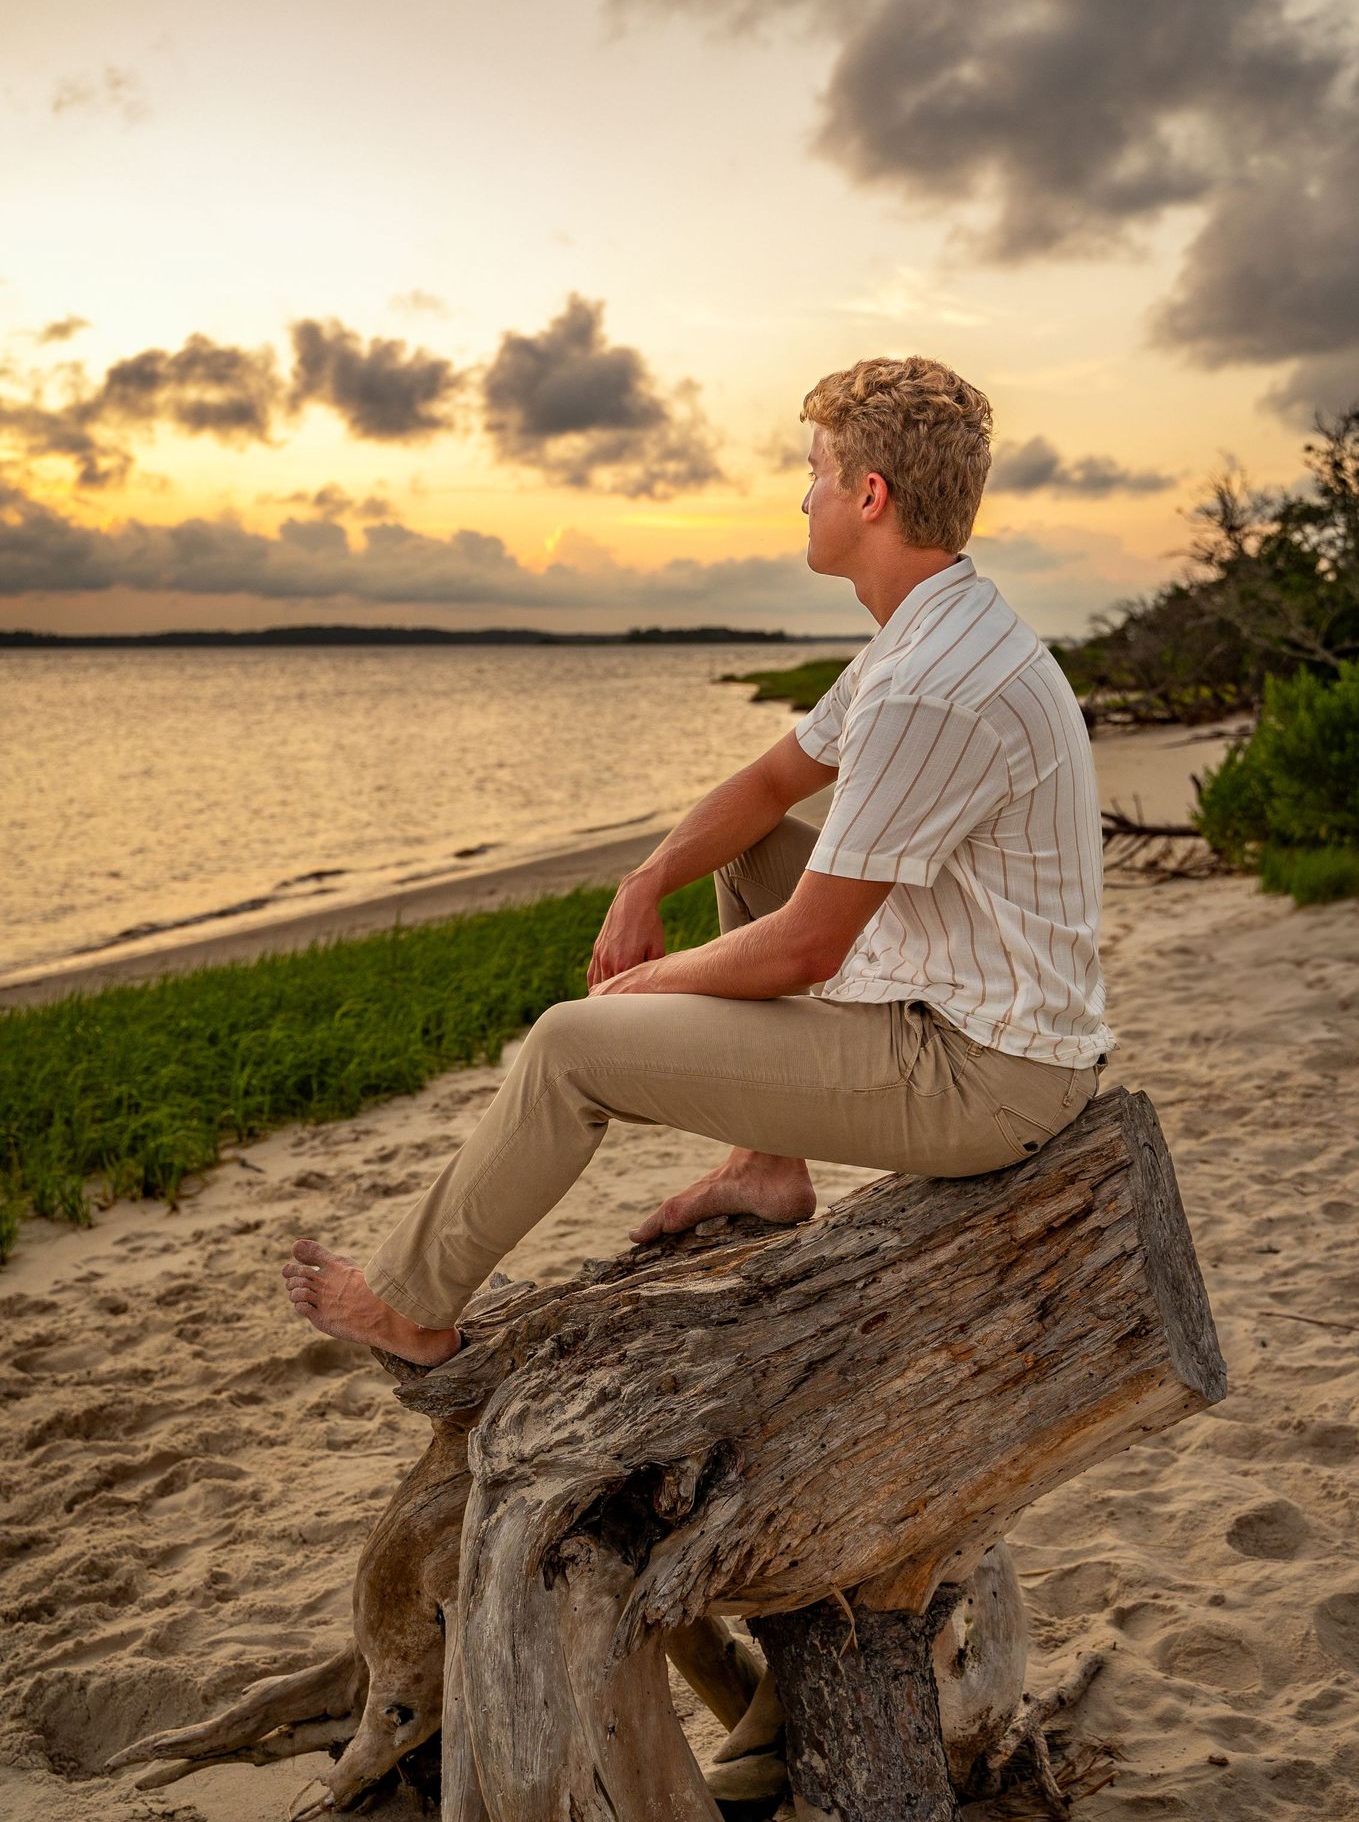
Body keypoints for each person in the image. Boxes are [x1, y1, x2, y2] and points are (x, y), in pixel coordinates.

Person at [282, 355, 1114, 1365]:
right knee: (746, 855)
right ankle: (765, 1165)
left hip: (992, 1078)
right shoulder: (928, 632)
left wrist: (642, 988)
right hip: (986, 1008)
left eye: (814, 471)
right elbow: (768, 789)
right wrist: (644, 882)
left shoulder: (928, 685)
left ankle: (410, 1309)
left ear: (869, 495)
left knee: (568, 1048)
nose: (800, 497)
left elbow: (806, 949)